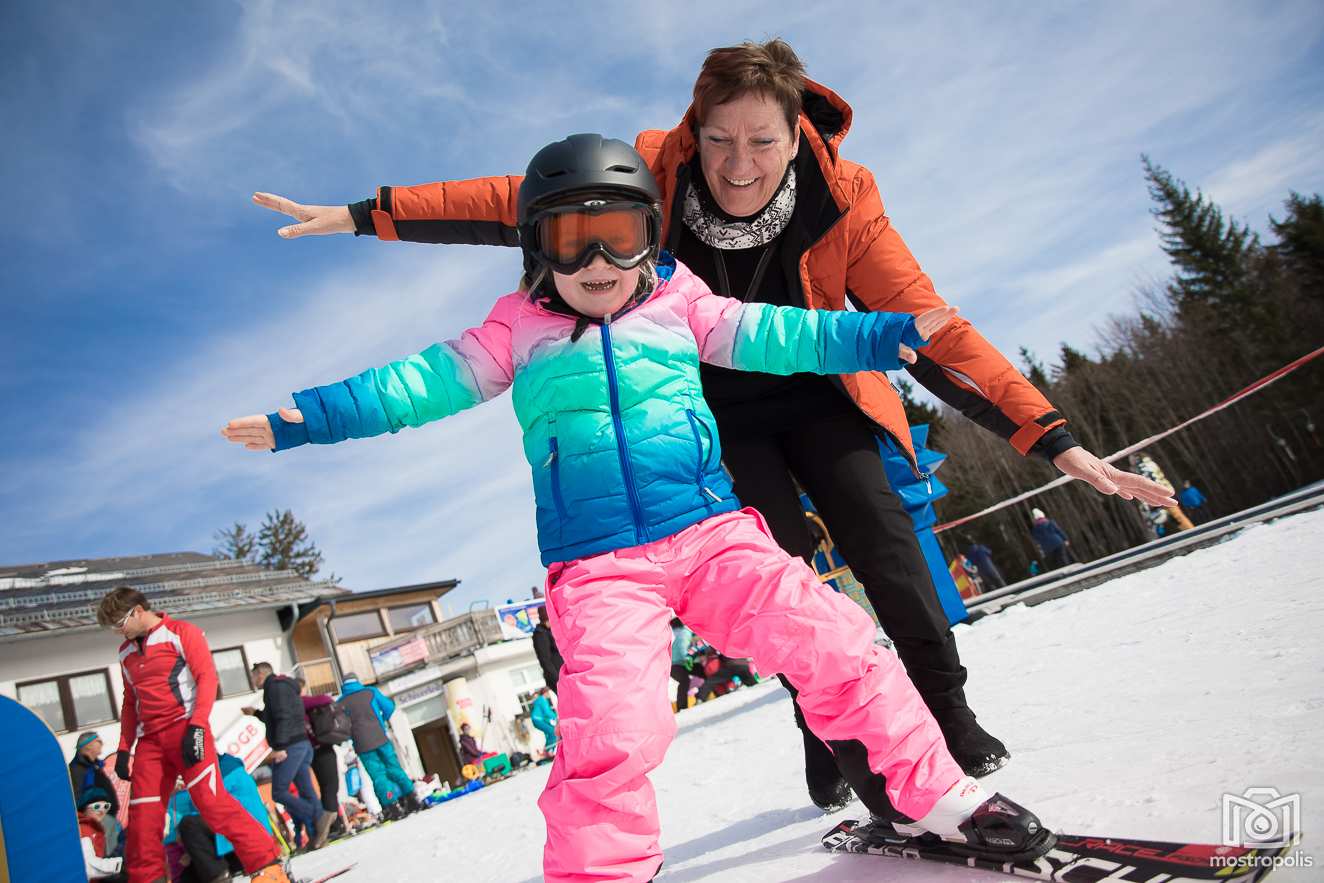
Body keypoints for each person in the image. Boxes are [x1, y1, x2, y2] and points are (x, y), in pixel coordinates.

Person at [252, 37, 1176, 810]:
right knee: (773, 572)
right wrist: (364, 215)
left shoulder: (842, 197)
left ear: (794, 134)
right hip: (707, 417)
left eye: (762, 141)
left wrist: (1055, 438)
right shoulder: (651, 174)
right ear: (694, 134)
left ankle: (949, 713)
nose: (739, 163)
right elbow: (509, 200)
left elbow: (927, 328)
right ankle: (831, 733)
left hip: (817, 387)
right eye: (720, 139)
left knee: (884, 539)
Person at [223, 135, 1055, 882]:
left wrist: (878, 336)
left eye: (616, 234)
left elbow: (778, 332)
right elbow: (414, 384)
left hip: (707, 530)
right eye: (567, 237)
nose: (595, 258)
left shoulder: (680, 301)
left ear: (648, 236)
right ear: (534, 246)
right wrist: (312, 418)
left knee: (836, 636)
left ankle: (935, 795)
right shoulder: (514, 328)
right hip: (597, 564)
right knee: (614, 725)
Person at [95, 586, 287, 883]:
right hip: (150, 743)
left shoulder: (181, 632)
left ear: (137, 611)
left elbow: (207, 677)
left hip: (185, 729)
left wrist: (197, 726)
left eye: (119, 623)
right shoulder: (125, 653)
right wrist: (123, 748)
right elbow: (130, 702)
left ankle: (267, 866)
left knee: (212, 803)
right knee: (143, 820)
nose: (117, 632)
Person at [243, 662, 335, 850]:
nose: (252, 681)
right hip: (301, 742)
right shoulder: (282, 687)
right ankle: (318, 835)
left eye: (253, 676)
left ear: (261, 674)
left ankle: (320, 817)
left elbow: (284, 716)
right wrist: (257, 714)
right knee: (306, 790)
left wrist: (281, 747)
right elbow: (280, 715)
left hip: (291, 745)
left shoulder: (275, 688)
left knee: (278, 791)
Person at [165, 754, 275, 883]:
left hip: (247, 848)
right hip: (236, 847)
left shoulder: (224, 774)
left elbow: (213, 810)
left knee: (189, 825)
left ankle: (220, 878)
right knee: (189, 873)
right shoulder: (225, 769)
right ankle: (217, 876)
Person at [333, 672, 420, 820]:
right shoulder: (370, 692)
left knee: (378, 776)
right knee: (394, 768)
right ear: (357, 680)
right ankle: (412, 799)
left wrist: (352, 735)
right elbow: (389, 707)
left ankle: (393, 807)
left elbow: (341, 727)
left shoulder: (340, 702)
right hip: (380, 737)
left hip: (362, 744)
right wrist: (381, 721)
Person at [297, 676, 344, 833]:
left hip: (312, 751)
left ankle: (334, 824)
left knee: (326, 788)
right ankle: (333, 826)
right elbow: (325, 698)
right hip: (321, 748)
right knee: (331, 788)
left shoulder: (293, 707)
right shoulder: (301, 702)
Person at [78, 787, 126, 882]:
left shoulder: (95, 829)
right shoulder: (83, 829)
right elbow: (88, 867)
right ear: (84, 807)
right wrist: (120, 865)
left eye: (106, 806)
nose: (102, 810)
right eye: (97, 806)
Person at [531, 603, 565, 693]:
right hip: (556, 676)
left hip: (563, 673)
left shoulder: (550, 631)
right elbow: (545, 659)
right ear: (545, 620)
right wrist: (557, 679)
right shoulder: (540, 634)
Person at [669, 618, 695, 712]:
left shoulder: (670, 634)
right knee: (685, 680)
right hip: (684, 662)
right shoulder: (685, 632)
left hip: (672, 666)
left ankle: (682, 706)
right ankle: (682, 706)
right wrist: (687, 658)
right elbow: (683, 647)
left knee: (684, 681)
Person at [529, 687, 558, 753]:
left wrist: (554, 718)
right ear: (546, 693)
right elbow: (547, 712)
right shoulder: (542, 699)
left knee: (551, 732)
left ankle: (550, 750)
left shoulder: (542, 700)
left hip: (539, 720)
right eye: (549, 692)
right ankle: (548, 751)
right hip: (537, 720)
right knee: (553, 732)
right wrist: (556, 717)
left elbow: (546, 713)